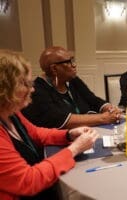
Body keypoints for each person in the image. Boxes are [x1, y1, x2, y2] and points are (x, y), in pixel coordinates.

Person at [0, 49, 100, 200]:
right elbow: (28, 181)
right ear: (5, 89)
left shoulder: (10, 112)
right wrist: (74, 149)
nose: (32, 89)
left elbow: (36, 133)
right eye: (26, 83)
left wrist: (68, 134)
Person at [22, 46, 122, 129]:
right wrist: (104, 118)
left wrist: (109, 109)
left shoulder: (72, 80)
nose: (74, 65)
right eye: (69, 62)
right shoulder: (37, 91)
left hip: (88, 130)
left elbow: (93, 100)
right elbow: (60, 119)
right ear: (54, 68)